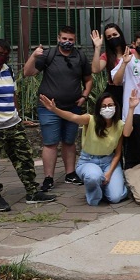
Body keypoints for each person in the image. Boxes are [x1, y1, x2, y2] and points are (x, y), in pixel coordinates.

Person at [0, 39, 56, 211]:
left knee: (25, 158)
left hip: (13, 125)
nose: (1, 57)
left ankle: (32, 192)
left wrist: (18, 116)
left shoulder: (8, 70)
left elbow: (13, 94)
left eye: (4, 54)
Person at [23, 25, 92, 192]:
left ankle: (70, 174)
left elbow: (88, 79)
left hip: (72, 107)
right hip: (48, 108)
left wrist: (84, 96)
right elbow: (28, 72)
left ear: (75, 40)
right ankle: (48, 178)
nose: (67, 42)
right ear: (58, 39)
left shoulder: (80, 56)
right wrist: (33, 56)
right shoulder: (49, 54)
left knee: (69, 141)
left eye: (70, 39)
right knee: (50, 143)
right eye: (64, 38)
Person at [39, 92, 126, 206]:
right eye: (104, 106)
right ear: (98, 108)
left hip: (108, 162)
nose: (107, 109)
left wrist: (109, 173)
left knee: (115, 197)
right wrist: (54, 109)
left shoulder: (119, 125)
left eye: (110, 105)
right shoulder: (90, 120)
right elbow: (73, 117)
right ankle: (95, 195)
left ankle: (106, 187)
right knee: (93, 176)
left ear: (116, 106)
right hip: (89, 160)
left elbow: (118, 153)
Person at [111, 32, 140, 121]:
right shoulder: (127, 60)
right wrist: (124, 63)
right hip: (132, 110)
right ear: (133, 44)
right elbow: (116, 82)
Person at [90, 24, 126, 107]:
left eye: (115, 34)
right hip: (114, 91)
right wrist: (97, 47)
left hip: (130, 88)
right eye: (109, 37)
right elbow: (95, 70)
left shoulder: (132, 53)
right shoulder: (106, 56)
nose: (112, 38)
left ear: (120, 34)